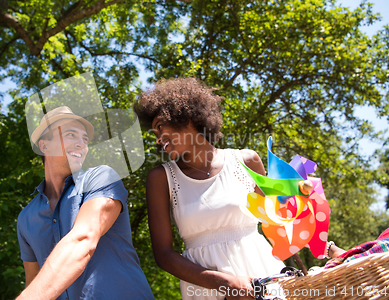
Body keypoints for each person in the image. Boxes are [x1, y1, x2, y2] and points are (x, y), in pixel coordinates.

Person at [134, 78, 286, 300]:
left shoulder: (247, 161)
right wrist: (225, 283)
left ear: (184, 117)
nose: (158, 140)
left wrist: (328, 249)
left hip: (263, 278)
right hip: (206, 291)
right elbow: (164, 255)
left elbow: (277, 226)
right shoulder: (161, 178)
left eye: (160, 127)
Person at [16, 106, 154, 300]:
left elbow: (82, 240)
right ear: (44, 146)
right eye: (71, 134)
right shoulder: (26, 218)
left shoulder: (101, 178)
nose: (81, 144)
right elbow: (33, 282)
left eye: (85, 139)